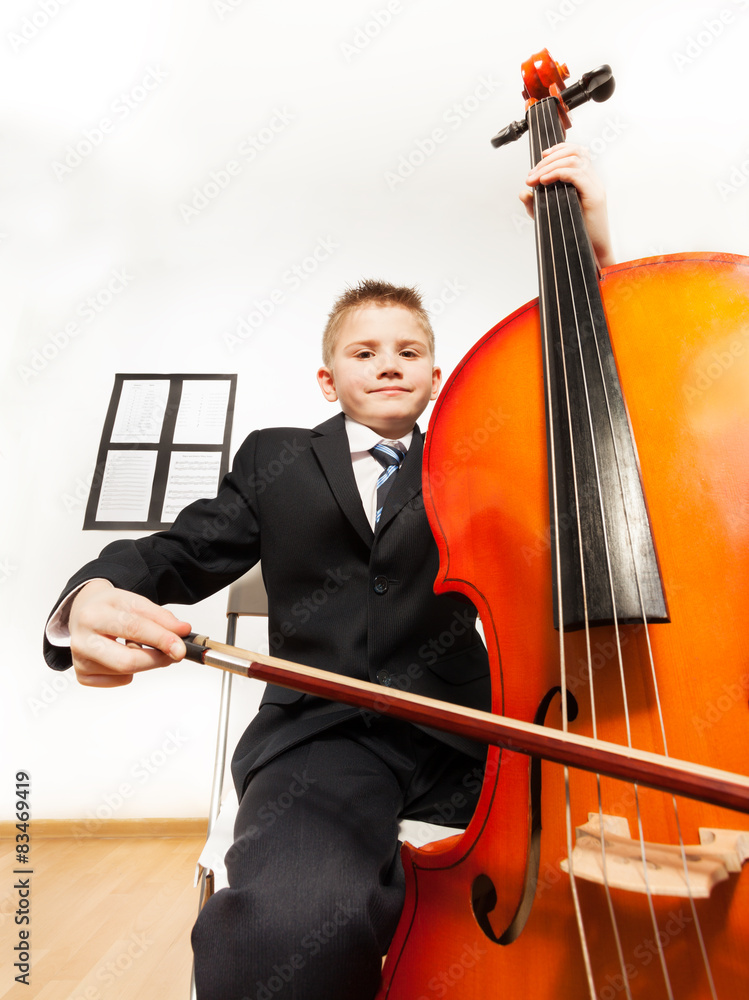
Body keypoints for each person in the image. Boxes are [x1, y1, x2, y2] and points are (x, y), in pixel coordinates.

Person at [44, 143, 614, 1000]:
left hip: (479, 739)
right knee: (286, 929)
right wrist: (86, 596)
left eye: (409, 349)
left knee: (612, 907)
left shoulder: (476, 452)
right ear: (326, 376)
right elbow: (175, 553)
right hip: (321, 738)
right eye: (364, 350)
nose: (388, 361)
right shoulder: (277, 459)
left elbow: (591, 420)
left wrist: (592, 266)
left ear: (434, 375)